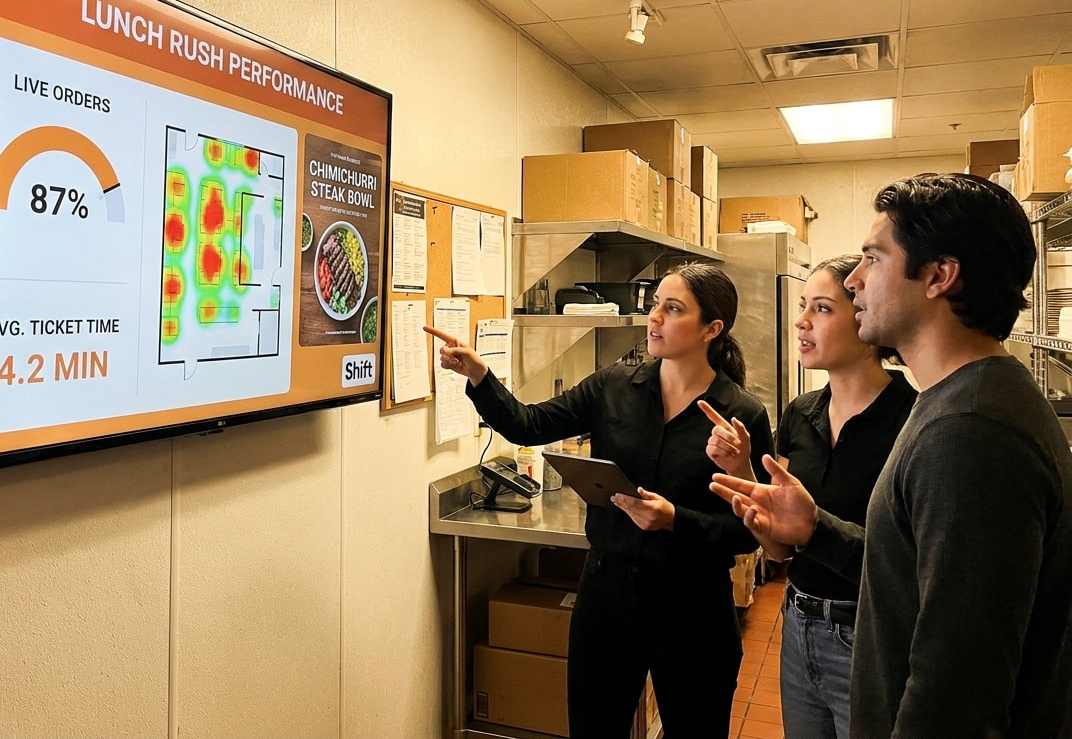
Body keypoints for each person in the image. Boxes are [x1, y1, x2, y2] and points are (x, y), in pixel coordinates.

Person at [709, 173, 1072, 738]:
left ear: (939, 275)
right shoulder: (960, 400)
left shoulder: (969, 432)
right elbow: (909, 574)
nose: (856, 280)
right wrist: (815, 529)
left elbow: (955, 691)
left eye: (874, 258)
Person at [425, 263, 772, 739]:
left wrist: (675, 519)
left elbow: (749, 533)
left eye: (673, 309)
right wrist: (480, 375)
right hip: (607, 596)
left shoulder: (740, 415)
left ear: (711, 329)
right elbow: (529, 424)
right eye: (656, 304)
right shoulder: (612, 387)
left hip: (692, 605)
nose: (655, 318)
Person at [705, 255, 916, 739]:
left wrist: (812, 528)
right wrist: (742, 473)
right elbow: (781, 550)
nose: (801, 321)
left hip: (871, 636)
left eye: (822, 308)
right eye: (803, 305)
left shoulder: (912, 420)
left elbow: (913, 563)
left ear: (866, 316)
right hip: (799, 626)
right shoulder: (801, 413)